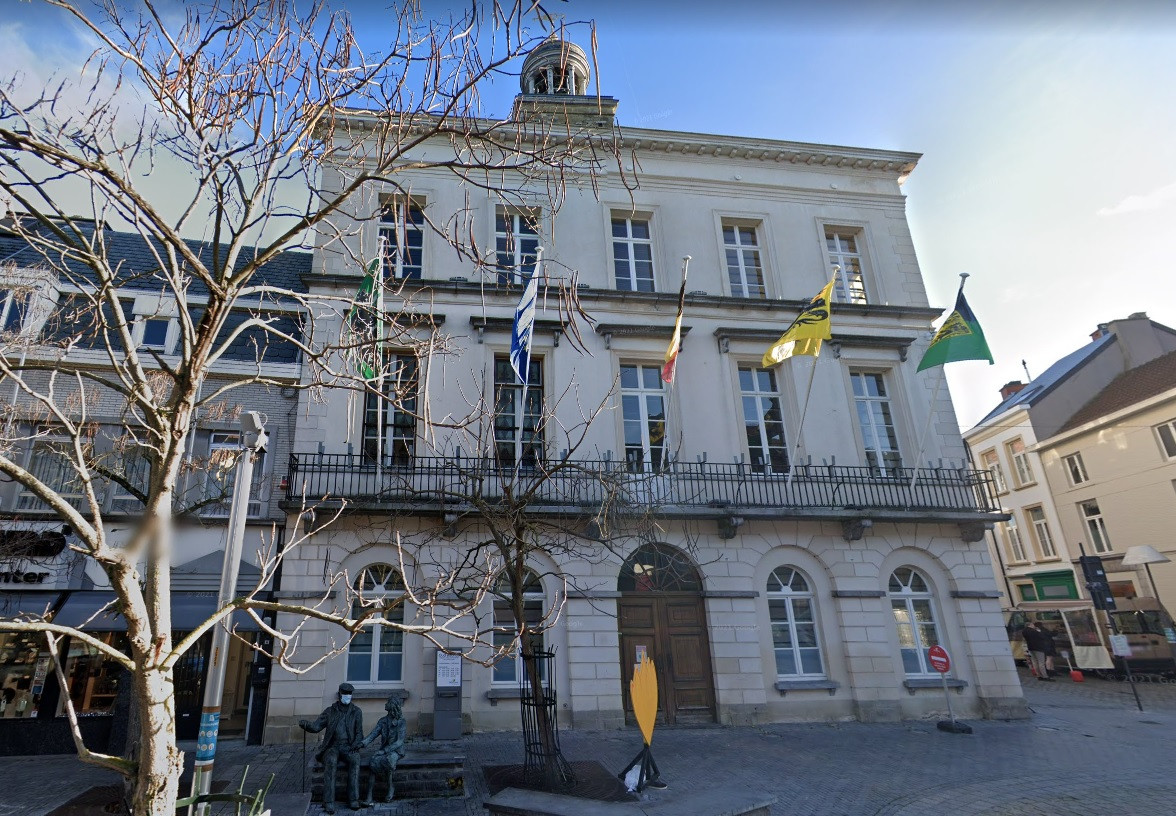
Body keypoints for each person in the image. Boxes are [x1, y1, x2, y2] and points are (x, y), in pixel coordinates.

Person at [300, 682, 365, 813]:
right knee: (331, 761)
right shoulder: (330, 711)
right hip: (332, 746)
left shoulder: (356, 712)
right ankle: (328, 801)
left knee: (355, 759)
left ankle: (353, 799)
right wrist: (306, 725)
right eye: (345, 694)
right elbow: (317, 726)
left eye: (349, 694)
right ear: (339, 694)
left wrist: (356, 744)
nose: (347, 696)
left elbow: (359, 733)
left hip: (348, 746)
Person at [359, 695, 407, 805]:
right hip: (384, 750)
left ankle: (390, 787)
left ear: (393, 706)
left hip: (396, 751)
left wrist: (384, 751)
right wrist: (362, 743)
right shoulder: (383, 721)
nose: (386, 704)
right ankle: (369, 797)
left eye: (388, 702)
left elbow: (399, 742)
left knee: (389, 760)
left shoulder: (401, 722)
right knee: (373, 761)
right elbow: (373, 734)